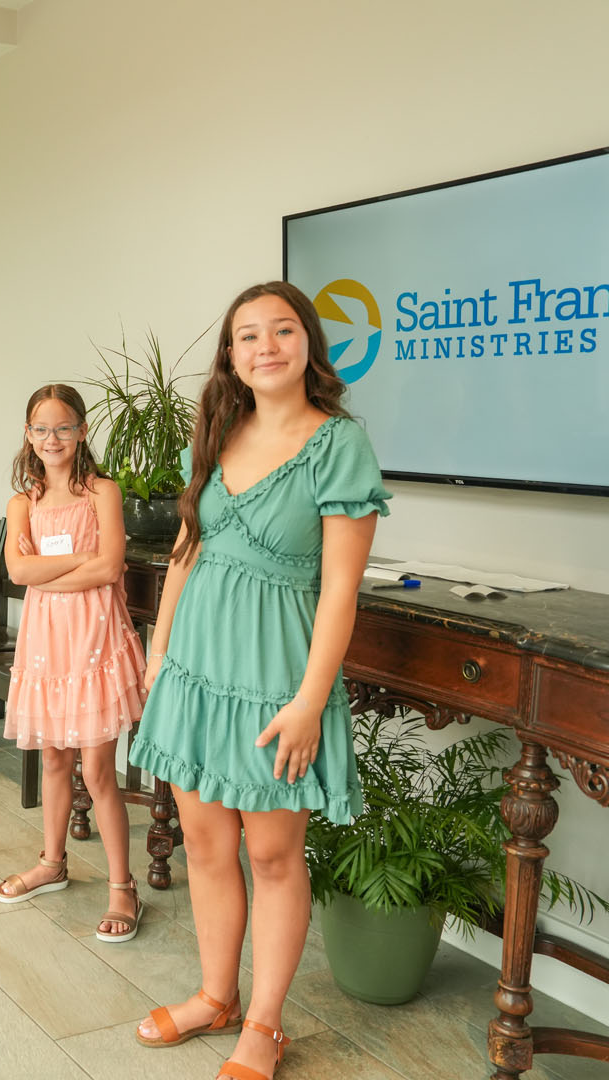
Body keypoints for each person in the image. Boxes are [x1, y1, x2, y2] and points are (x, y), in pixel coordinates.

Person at [127, 282, 388, 1080]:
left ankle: (265, 1023)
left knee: (274, 855)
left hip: (278, 682)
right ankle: (216, 995)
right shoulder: (217, 429)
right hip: (197, 674)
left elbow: (341, 589)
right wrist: (159, 656)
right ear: (231, 356)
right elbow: (186, 550)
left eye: (282, 331)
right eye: (248, 336)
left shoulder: (339, 443)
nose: (265, 346)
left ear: (308, 343)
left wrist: (310, 703)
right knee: (205, 845)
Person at [0, 383, 147, 943]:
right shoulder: (22, 504)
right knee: (54, 762)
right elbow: (17, 572)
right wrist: (86, 561)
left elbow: (111, 570)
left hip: (94, 641)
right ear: (28, 435)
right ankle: (52, 863)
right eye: (40, 428)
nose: (51, 438)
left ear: (82, 430)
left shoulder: (101, 492)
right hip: (46, 644)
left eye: (62, 427)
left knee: (99, 771)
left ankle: (122, 888)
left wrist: (56, 570)